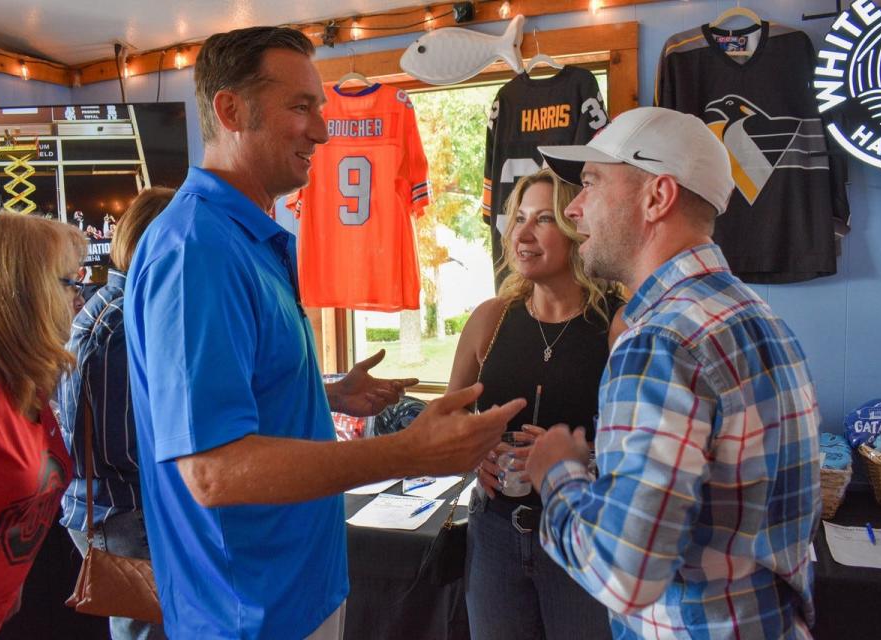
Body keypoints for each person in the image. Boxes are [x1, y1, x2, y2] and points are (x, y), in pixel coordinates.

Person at [123, 26, 525, 640]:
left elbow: (236, 392)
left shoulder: (245, 236)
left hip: (297, 588)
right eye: (301, 107)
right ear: (231, 110)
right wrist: (407, 452)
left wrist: (326, 390)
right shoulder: (197, 249)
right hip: (247, 612)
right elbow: (213, 470)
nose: (322, 130)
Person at [527, 106, 822, 639]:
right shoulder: (758, 317)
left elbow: (624, 574)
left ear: (657, 197)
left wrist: (557, 472)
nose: (573, 208)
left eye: (590, 182)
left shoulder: (659, 341)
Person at [447, 167, 624, 640]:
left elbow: (643, 443)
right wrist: (476, 452)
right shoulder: (491, 318)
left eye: (543, 219)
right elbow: (449, 419)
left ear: (575, 226)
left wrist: (578, 459)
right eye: (518, 218)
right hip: (495, 533)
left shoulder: (618, 324)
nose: (522, 233)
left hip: (581, 533)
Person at [0, 212, 85, 638]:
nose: (80, 299)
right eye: (69, 283)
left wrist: (6, 581)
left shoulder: (23, 379)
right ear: (26, 293)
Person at [57, 187, 175, 640]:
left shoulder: (116, 306)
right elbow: (115, 447)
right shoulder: (124, 323)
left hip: (117, 509)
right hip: (122, 513)